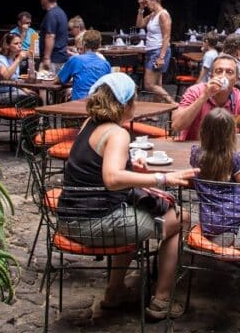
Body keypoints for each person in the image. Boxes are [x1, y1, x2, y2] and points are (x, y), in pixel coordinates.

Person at [56, 73, 197, 320]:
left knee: (135, 210)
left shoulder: (89, 123)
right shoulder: (117, 134)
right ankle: (161, 300)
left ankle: (115, 291)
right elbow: (111, 178)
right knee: (181, 219)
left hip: (69, 220)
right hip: (96, 224)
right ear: (126, 103)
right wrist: (162, 178)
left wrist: (131, 167)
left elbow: (97, 168)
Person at [189, 108, 240, 247]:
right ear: (232, 134)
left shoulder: (195, 154)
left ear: (203, 131)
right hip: (236, 215)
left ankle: (223, 238)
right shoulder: (234, 158)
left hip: (210, 221)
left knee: (224, 224)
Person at [171, 55, 240, 141]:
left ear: (236, 79)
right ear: (211, 76)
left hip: (227, 151)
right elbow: (177, 126)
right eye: (219, 71)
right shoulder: (195, 92)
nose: (223, 76)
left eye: (229, 72)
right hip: (193, 148)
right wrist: (204, 96)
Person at [136, 0, 175, 103]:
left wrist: (161, 57)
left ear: (154, 0)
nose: (146, 5)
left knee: (148, 84)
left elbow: (167, 36)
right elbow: (140, 24)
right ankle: (156, 112)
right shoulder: (153, 15)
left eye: (147, 3)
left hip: (158, 51)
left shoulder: (163, 15)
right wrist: (141, 9)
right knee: (157, 84)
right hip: (152, 51)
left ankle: (172, 103)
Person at [59, 29, 112, 100]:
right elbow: (107, 87)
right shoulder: (106, 64)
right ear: (99, 45)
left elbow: (59, 80)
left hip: (79, 103)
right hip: (98, 105)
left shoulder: (75, 59)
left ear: (84, 44)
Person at [0, 33, 35, 103]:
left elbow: (14, 80)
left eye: (20, 43)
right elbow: (6, 77)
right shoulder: (0, 58)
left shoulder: (13, 59)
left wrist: (24, 89)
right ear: (7, 46)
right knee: (33, 99)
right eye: (16, 44)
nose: (20, 46)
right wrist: (18, 59)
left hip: (12, 91)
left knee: (35, 95)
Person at [38, 0, 69, 74]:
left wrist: (47, 58)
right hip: (61, 58)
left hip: (52, 60)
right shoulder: (61, 13)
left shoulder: (51, 14)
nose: (40, 0)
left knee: (44, 85)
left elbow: (50, 36)